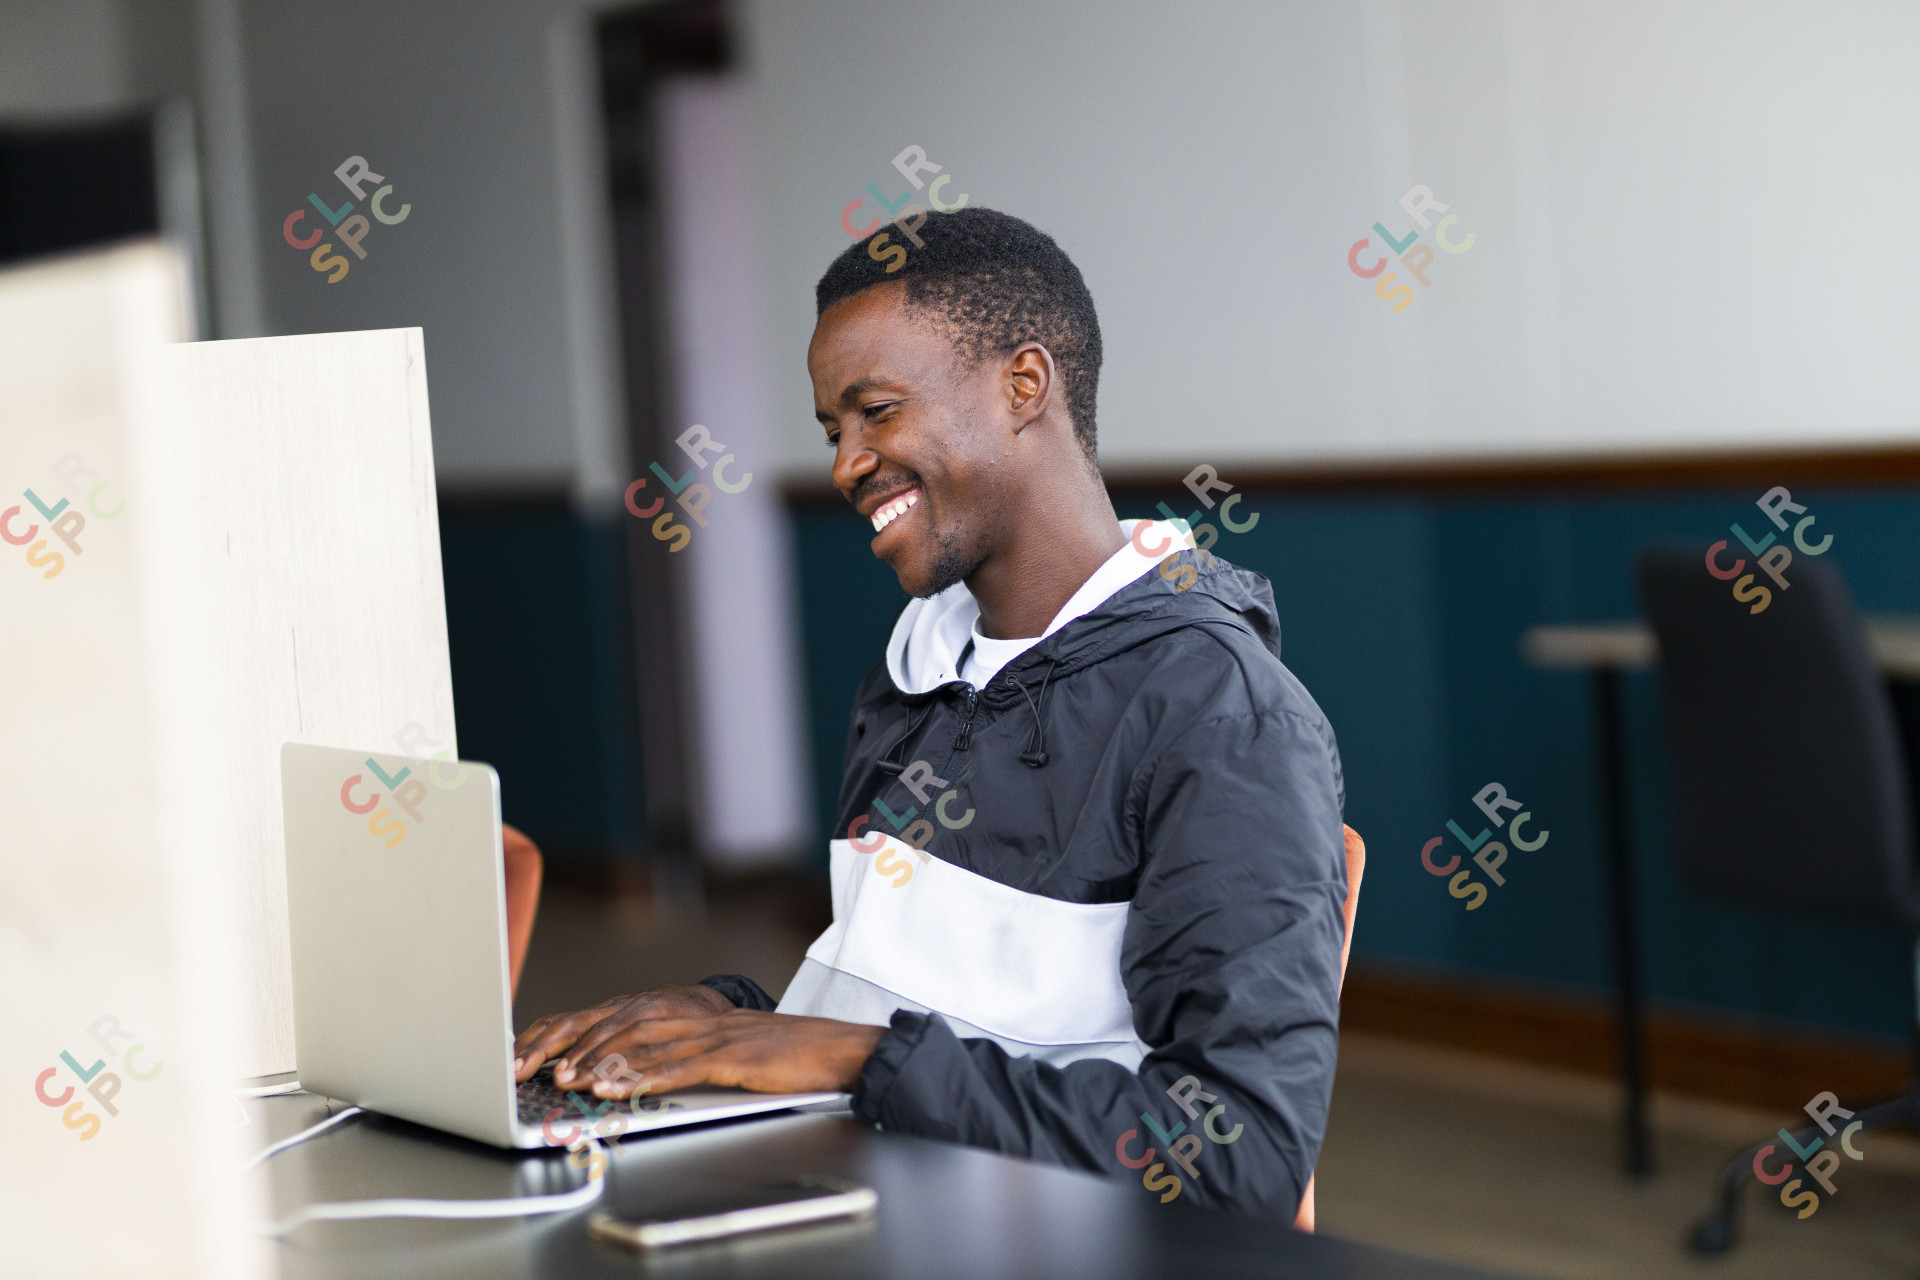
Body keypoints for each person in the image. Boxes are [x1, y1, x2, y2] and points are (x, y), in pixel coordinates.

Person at [511, 207, 1348, 1220]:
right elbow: (927, 1016)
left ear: (1022, 385)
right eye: (833, 430)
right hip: (856, 1189)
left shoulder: (1225, 714)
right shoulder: (917, 669)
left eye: (876, 411)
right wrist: (726, 1020)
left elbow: (1236, 1154)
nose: (845, 463)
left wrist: (841, 1052)